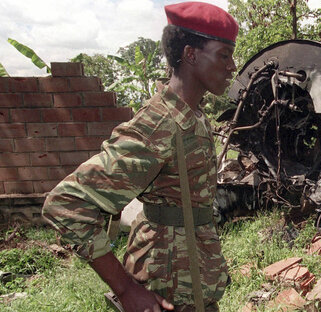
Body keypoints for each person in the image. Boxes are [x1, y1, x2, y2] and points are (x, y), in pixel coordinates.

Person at [42, 2, 238, 311]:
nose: (232, 66)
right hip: (167, 292)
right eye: (224, 55)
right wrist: (124, 288)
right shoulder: (159, 126)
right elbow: (66, 203)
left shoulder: (192, 117)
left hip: (193, 285)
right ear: (191, 54)